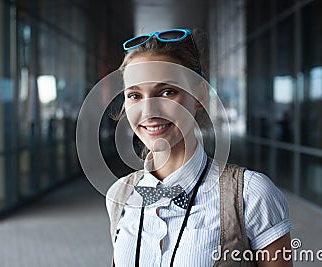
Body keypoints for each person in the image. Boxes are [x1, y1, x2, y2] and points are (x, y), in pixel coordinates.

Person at [106, 28, 293, 267]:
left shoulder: (251, 195)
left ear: (199, 95)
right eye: (134, 95)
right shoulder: (119, 195)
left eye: (167, 92)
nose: (149, 111)